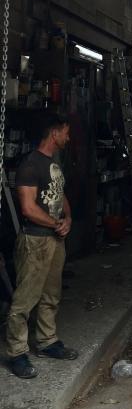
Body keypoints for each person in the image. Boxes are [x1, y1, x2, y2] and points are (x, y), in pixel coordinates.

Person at [6, 113, 78, 378]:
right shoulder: (30, 165)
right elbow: (27, 208)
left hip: (54, 239)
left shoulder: (53, 164)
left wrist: (67, 218)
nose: (68, 138)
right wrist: (55, 224)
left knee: (51, 295)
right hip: (35, 240)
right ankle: (17, 353)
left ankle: (47, 342)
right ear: (54, 133)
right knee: (24, 300)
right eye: (66, 132)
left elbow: (61, 194)